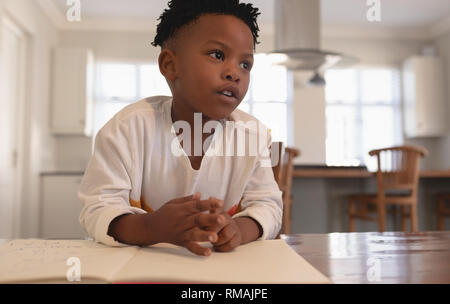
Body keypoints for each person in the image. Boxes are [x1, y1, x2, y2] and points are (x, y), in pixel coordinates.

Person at [78, 0, 282, 257]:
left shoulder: (253, 136)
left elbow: (268, 206)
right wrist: (150, 227)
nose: (235, 73)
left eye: (245, 64)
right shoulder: (127, 129)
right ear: (170, 65)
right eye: (218, 55)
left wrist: (239, 229)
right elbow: (97, 208)